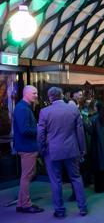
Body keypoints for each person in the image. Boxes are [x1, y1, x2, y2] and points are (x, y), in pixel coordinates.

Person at [37, 87, 87, 218]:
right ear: (62, 95)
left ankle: (59, 210)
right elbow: (80, 132)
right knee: (76, 178)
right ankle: (82, 208)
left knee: (56, 181)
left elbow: (41, 135)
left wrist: (42, 151)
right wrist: (82, 149)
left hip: (52, 152)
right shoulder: (73, 109)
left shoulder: (44, 112)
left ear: (50, 97)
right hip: (71, 150)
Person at [13, 85, 44, 213]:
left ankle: (21, 204)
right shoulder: (23, 108)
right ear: (26, 94)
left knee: (26, 175)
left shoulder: (23, 107)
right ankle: (25, 204)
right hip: (27, 147)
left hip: (26, 146)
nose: (36, 95)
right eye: (34, 93)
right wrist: (39, 129)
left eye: (36, 93)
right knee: (27, 176)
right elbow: (25, 130)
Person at [89, 101, 104, 192]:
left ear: (97, 107)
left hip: (96, 145)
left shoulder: (93, 118)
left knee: (98, 168)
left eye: (95, 106)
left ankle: (100, 187)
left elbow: (91, 132)